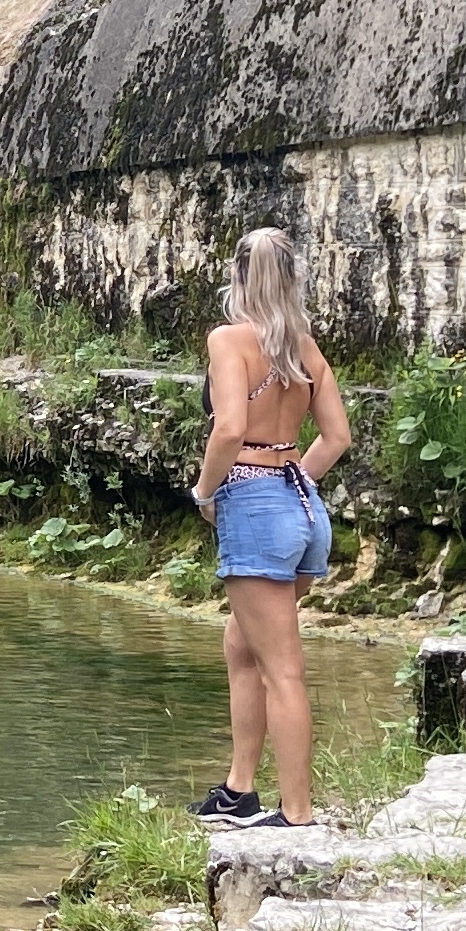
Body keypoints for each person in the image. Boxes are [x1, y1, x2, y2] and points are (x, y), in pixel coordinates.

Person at [188, 227, 350, 826]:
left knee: (283, 670)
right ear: (293, 279)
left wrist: (206, 492)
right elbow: (336, 437)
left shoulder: (228, 340)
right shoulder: (305, 348)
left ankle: (297, 814)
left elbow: (229, 428)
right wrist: (292, 479)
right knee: (242, 644)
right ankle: (239, 790)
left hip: (255, 508)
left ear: (238, 277)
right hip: (304, 510)